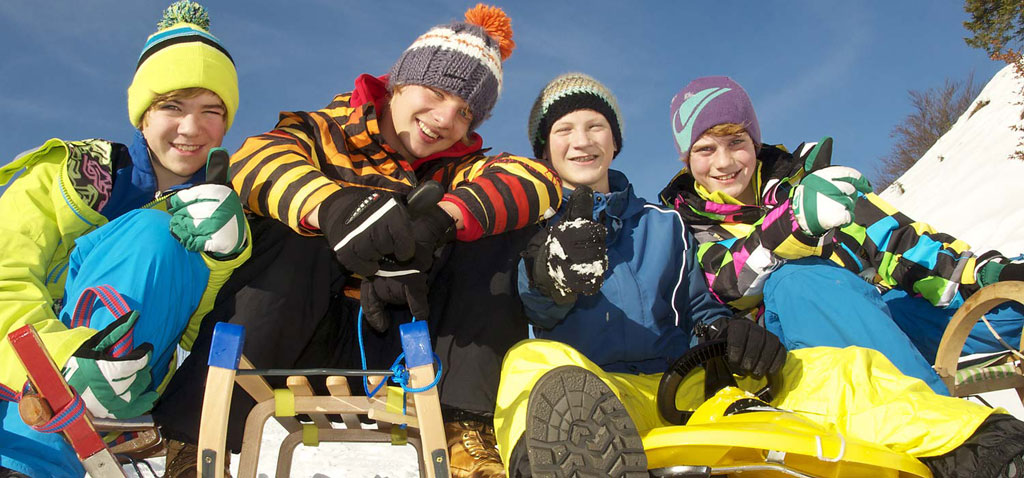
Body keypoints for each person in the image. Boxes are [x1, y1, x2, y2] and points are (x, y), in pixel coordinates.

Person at [493, 73, 1024, 478]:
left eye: (595, 126)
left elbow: (700, 305)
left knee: (834, 371)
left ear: (615, 141)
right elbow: (530, 309)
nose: (582, 140)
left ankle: (977, 446)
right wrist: (547, 276)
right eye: (564, 130)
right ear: (544, 148)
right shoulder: (530, 226)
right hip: (605, 399)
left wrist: (724, 330)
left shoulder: (664, 224)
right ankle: (558, 462)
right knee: (531, 364)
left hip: (691, 386)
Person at [151, 5, 560, 477]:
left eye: (465, 111)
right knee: (289, 230)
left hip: (406, 352)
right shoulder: (325, 130)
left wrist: (441, 221)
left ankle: (465, 431)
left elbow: (536, 180)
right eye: (436, 92)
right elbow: (256, 159)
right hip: (300, 336)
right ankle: (195, 440)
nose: (445, 118)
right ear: (399, 83)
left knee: (494, 228)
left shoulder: (457, 169)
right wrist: (332, 209)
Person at [0, 1, 248, 477]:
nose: (191, 128)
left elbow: (197, 341)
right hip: (23, 375)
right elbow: (6, 278)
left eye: (211, 111)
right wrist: (63, 357)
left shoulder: (223, 214)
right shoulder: (66, 179)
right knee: (153, 229)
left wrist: (224, 259)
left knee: (160, 234)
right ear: (143, 115)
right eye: (172, 106)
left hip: (132, 387)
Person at [659, 76, 1024, 394]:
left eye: (736, 142)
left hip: (869, 315)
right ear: (687, 160)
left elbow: (893, 239)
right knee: (798, 279)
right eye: (705, 149)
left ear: (754, 142)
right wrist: (792, 224)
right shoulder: (685, 226)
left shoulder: (806, 183)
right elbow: (727, 282)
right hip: (781, 354)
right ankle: (935, 427)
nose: (723, 162)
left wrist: (979, 272)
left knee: (1011, 310)